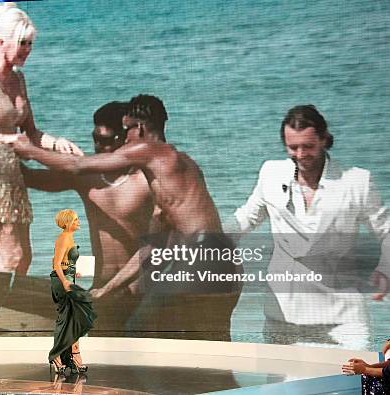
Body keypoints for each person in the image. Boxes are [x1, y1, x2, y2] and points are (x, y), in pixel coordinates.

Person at [14, 95, 242, 339]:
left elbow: (77, 166)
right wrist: (108, 289)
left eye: (127, 131)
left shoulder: (149, 151)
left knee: (142, 329)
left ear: (140, 128)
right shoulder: (183, 168)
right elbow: (154, 248)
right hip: (227, 263)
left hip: (199, 261)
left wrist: (28, 149)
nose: (125, 140)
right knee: (213, 346)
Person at [233, 105, 390, 349]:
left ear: (325, 140)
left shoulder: (357, 181)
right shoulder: (271, 173)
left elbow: (386, 231)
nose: (300, 154)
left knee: (355, 385)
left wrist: (385, 269)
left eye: (308, 146)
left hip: (343, 319)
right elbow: (246, 218)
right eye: (293, 147)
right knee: (285, 388)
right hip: (282, 318)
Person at [0, 3, 82, 275]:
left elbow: (31, 133)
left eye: (31, 44)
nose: (28, 50)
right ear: (0, 41)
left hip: (12, 171)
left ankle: (8, 313)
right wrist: (5, 139)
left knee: (25, 258)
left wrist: (57, 143)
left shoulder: (18, 79)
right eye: (22, 43)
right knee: (12, 256)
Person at [22, 101, 154, 295]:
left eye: (106, 140)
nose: (98, 146)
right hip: (100, 288)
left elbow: (162, 243)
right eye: (95, 138)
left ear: (127, 139)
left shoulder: (146, 180)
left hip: (141, 289)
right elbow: (29, 178)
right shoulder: (87, 177)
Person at [48, 209, 97, 375]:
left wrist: (73, 271)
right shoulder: (63, 238)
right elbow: (56, 265)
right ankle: (59, 356)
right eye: (76, 220)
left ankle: (72, 356)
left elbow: (65, 262)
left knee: (73, 319)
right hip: (63, 282)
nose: (79, 222)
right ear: (68, 222)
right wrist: (65, 281)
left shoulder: (70, 237)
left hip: (68, 278)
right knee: (66, 319)